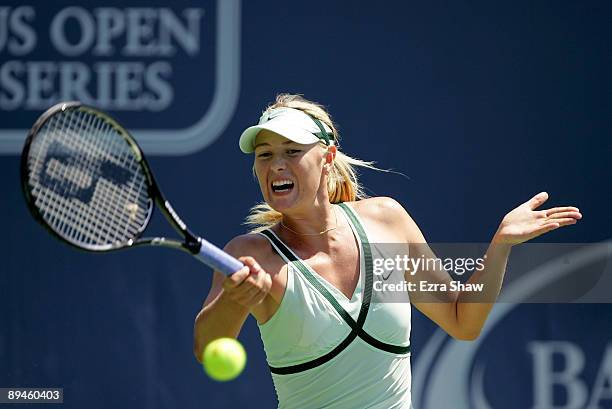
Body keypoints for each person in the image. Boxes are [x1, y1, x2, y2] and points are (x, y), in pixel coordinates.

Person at [193, 94, 582, 408]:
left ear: (327, 158)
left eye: (291, 151)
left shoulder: (386, 220)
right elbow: (205, 345)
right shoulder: (252, 254)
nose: (276, 164)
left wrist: (500, 246)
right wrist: (234, 299)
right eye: (264, 154)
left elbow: (464, 320)